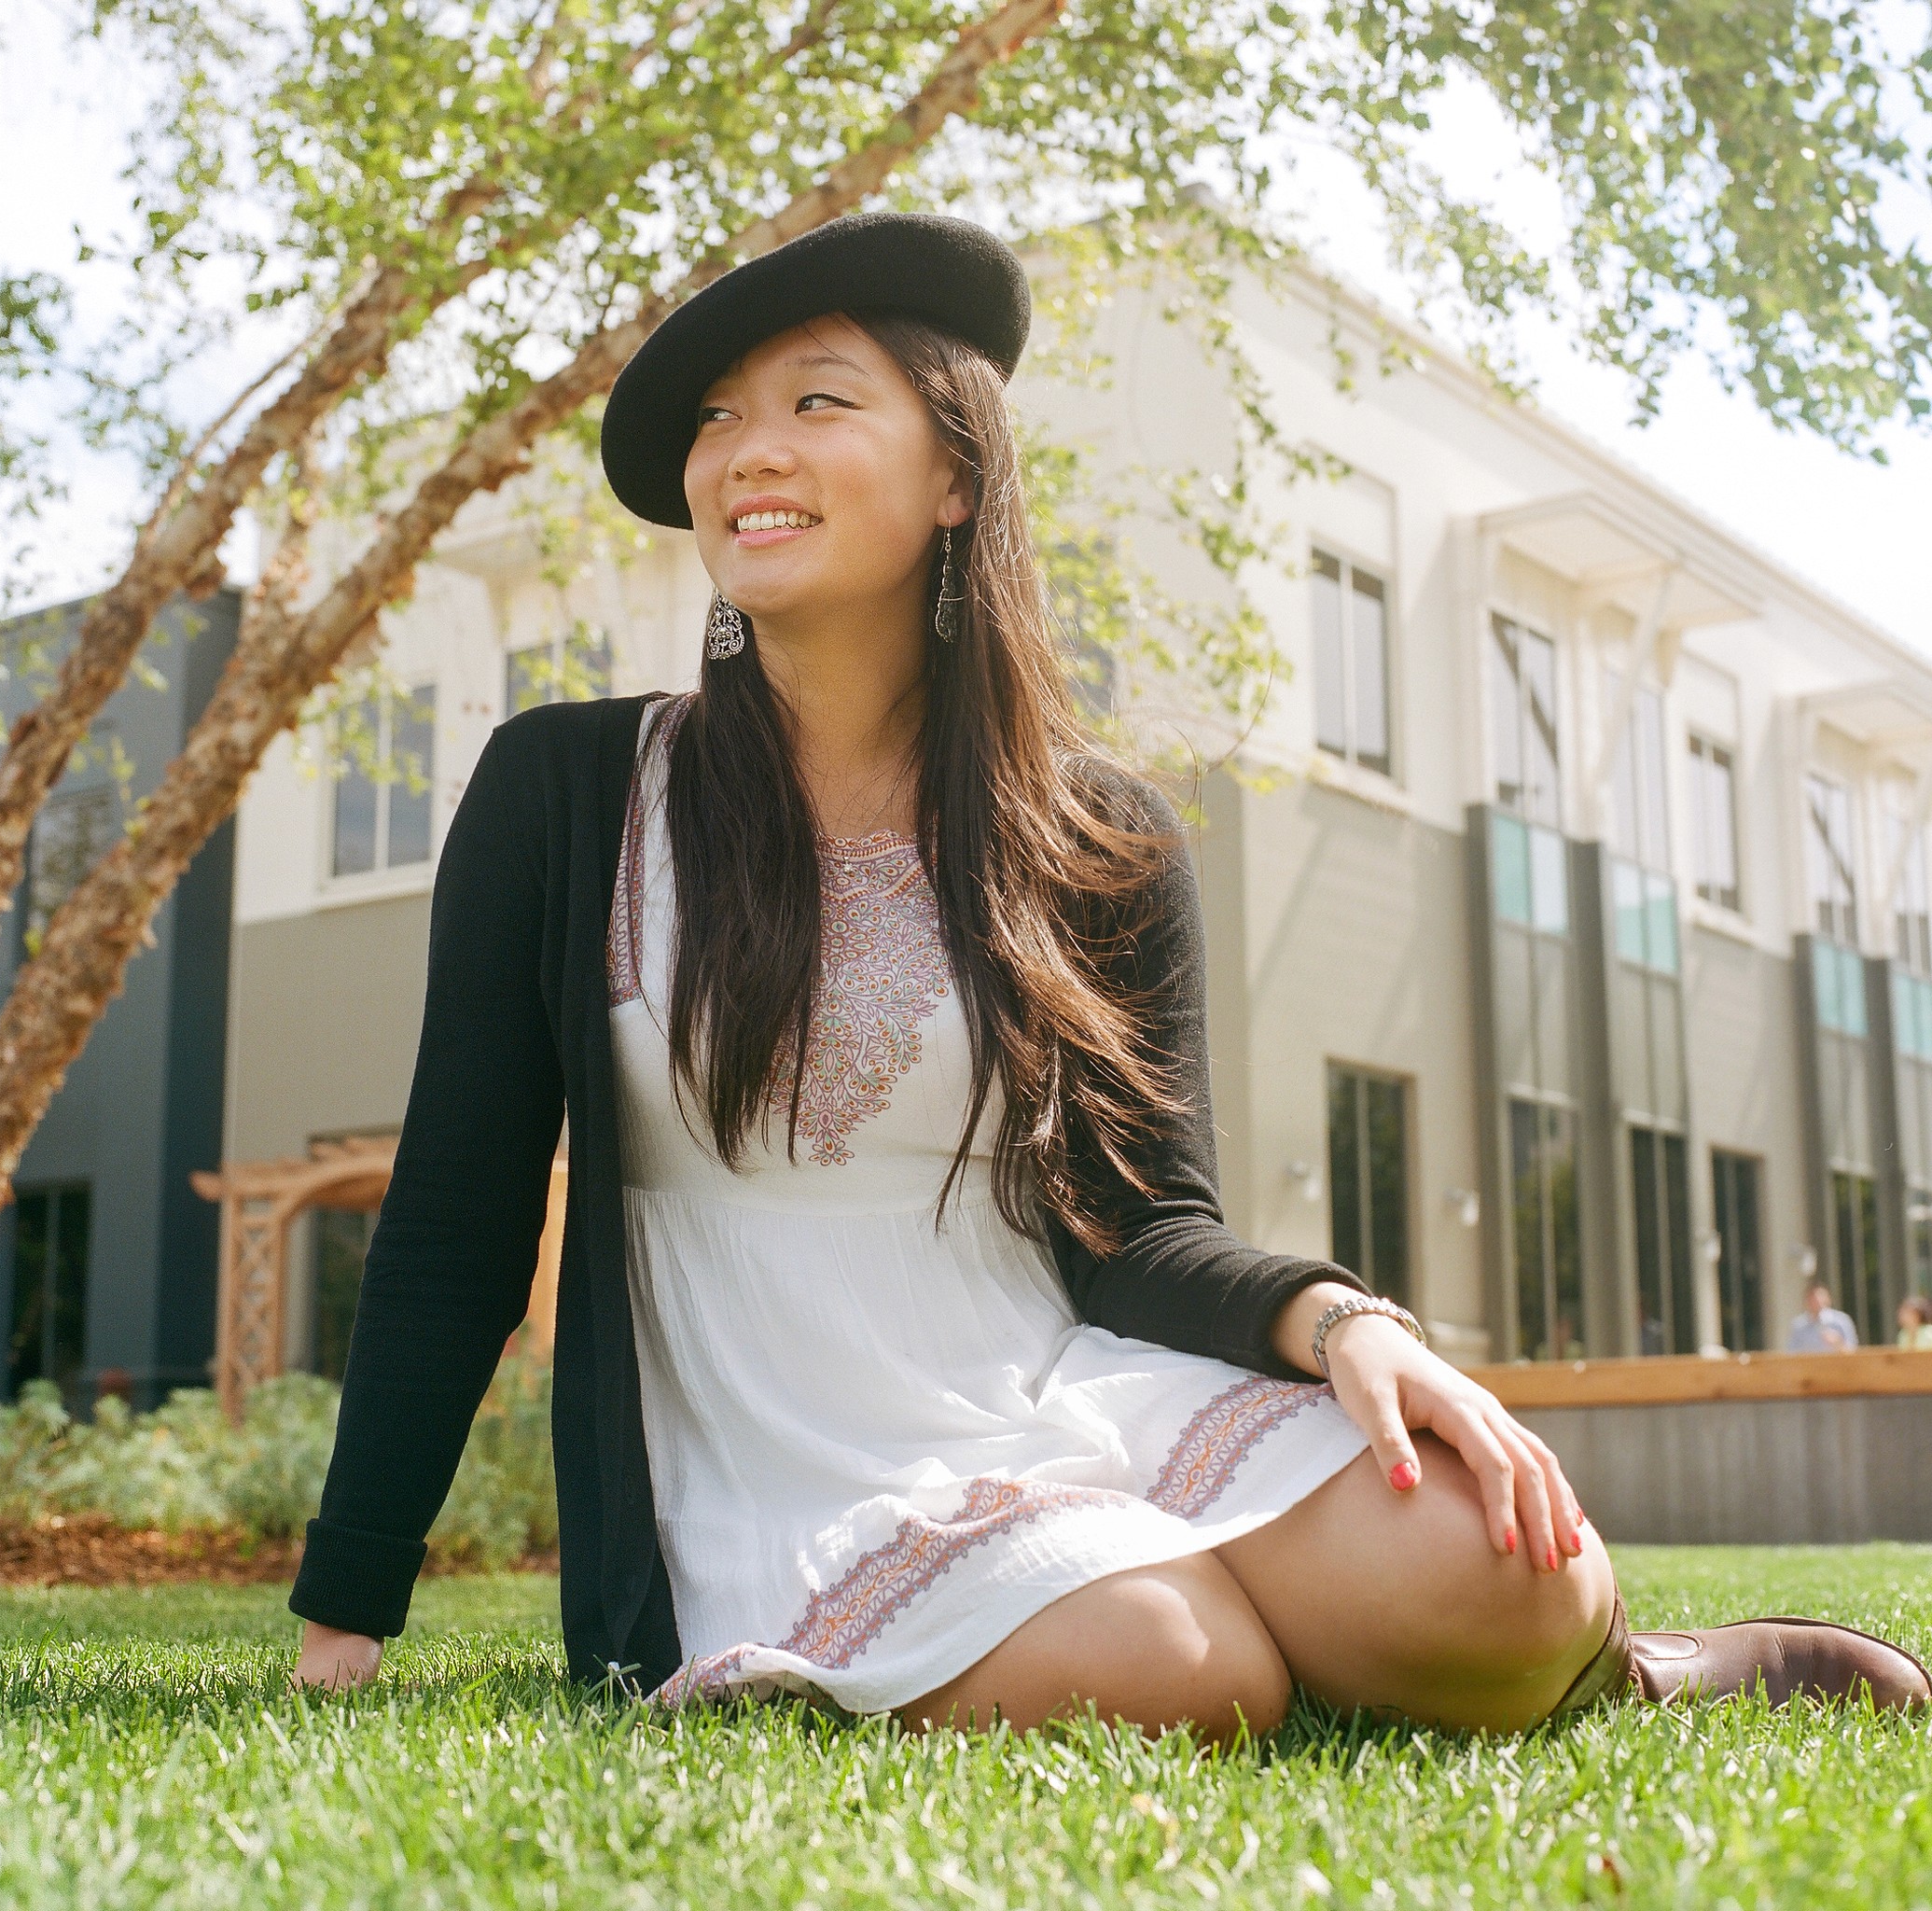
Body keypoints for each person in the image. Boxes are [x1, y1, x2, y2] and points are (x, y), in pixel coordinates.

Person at [285, 213, 1927, 1732]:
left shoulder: (1099, 835)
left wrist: (1333, 1317)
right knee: (1171, 1665)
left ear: (953, 473)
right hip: (769, 1453)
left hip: (1056, 1375)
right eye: (718, 418)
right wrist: (347, 1599)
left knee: (1509, 1567)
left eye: (814, 400)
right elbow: (456, 1211)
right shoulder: (569, 792)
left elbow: (1144, 1222)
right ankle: (1263, 1634)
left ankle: (1616, 1668)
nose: (747, 453)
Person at [1789, 1279, 1860, 1352]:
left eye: (1820, 1296)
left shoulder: (1841, 1321)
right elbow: (1792, 1353)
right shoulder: (1799, 1325)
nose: (1816, 1301)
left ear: (1828, 1298)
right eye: (1812, 1298)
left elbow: (1854, 1351)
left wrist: (1838, 1343)